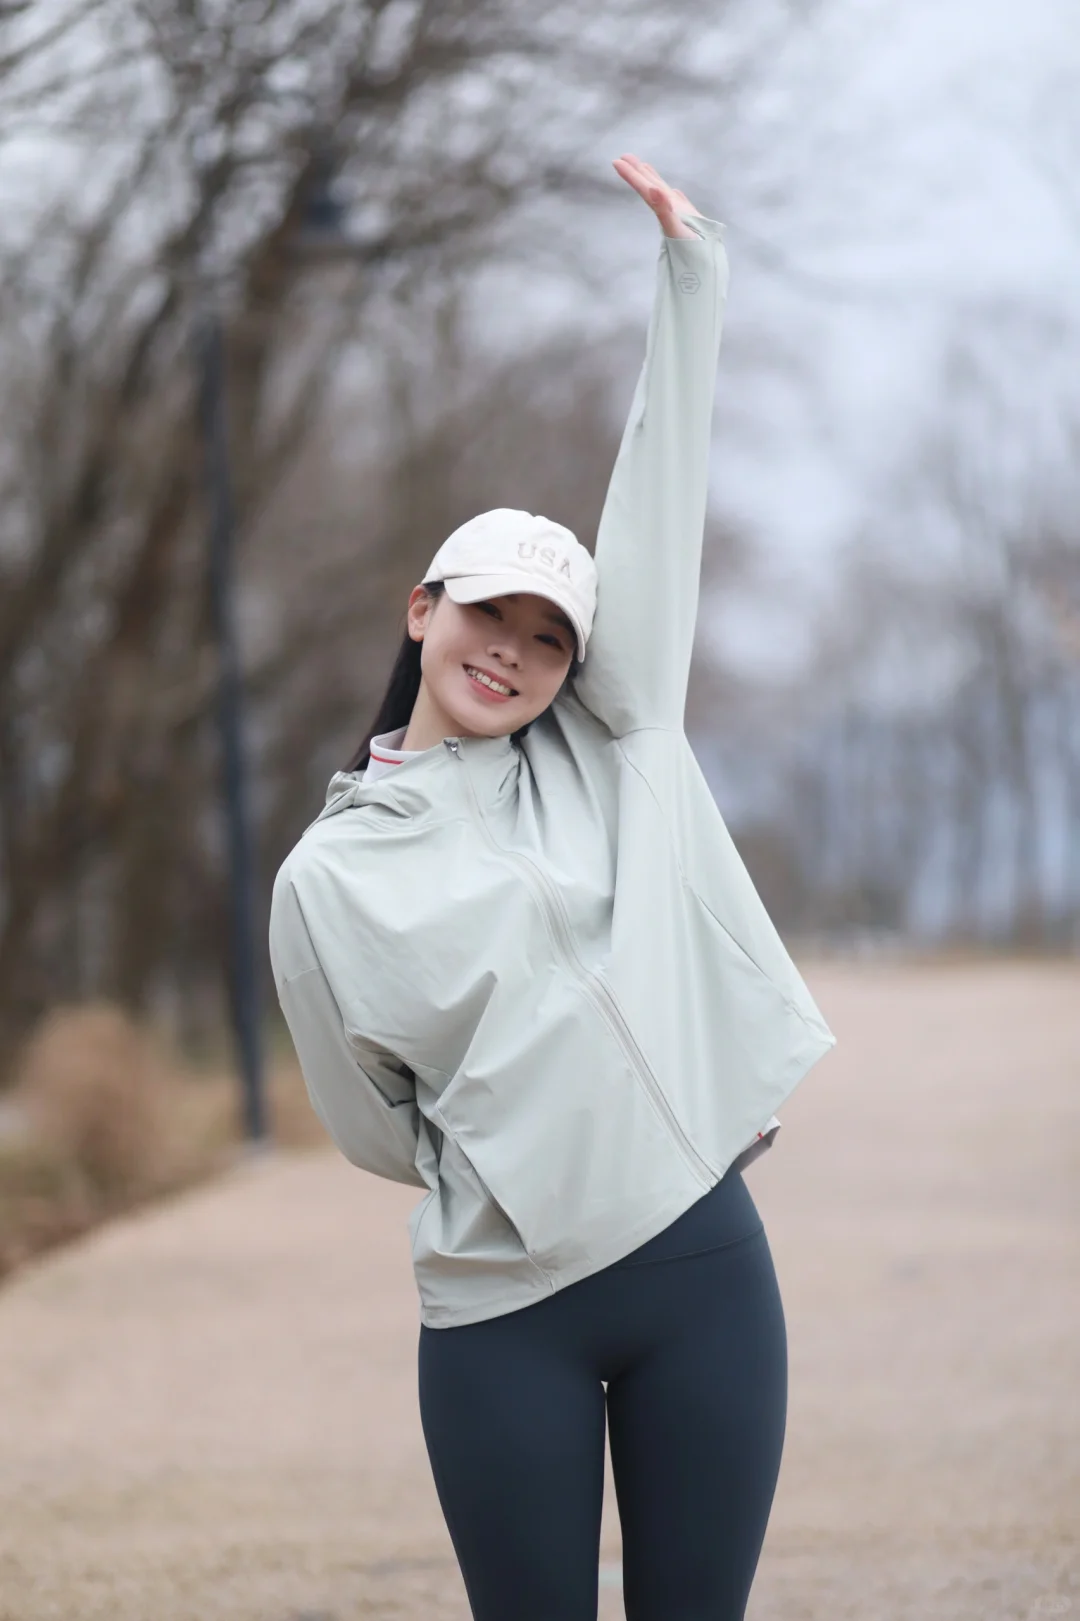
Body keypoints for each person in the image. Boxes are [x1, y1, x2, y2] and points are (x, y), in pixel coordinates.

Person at [269, 152, 836, 1621]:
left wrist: (689, 274)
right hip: (497, 1312)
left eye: (548, 637)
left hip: (701, 1269)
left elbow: (658, 507)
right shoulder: (327, 880)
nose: (512, 651)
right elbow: (368, 1123)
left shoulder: (616, 753)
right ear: (422, 612)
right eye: (486, 617)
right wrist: (522, 1157)